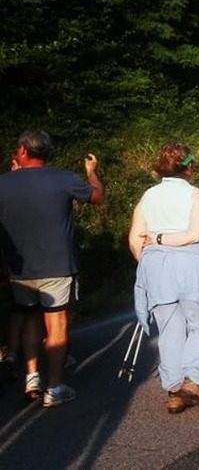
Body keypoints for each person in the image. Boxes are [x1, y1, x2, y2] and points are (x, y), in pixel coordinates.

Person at [0, 131, 103, 407]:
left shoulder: (3, 184)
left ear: (22, 151)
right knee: (56, 323)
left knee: (31, 318)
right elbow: (96, 197)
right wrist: (92, 172)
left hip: (19, 268)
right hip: (57, 265)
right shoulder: (64, 178)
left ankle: (31, 375)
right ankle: (55, 387)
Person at [129, 143, 199, 413]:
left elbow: (135, 239)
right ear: (190, 167)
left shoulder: (148, 196)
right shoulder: (196, 194)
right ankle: (193, 377)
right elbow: (193, 234)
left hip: (157, 266)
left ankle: (173, 390)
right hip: (191, 264)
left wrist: (150, 260)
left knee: (169, 329)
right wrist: (164, 239)